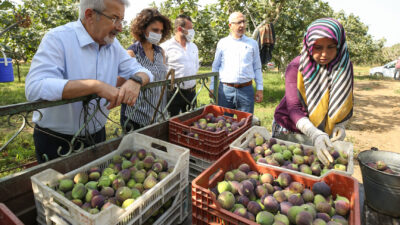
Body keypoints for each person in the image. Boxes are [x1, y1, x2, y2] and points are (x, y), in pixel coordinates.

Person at [25, 0, 153, 163]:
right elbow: (35, 87)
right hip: (56, 141)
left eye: (121, 20)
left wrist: (135, 81)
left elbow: (144, 71)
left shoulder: (113, 46)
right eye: (114, 19)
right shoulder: (58, 39)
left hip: (97, 136)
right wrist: (95, 86)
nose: (120, 28)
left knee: (96, 184)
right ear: (90, 15)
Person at [273, 18, 353, 166]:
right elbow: (294, 108)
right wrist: (314, 133)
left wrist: (340, 125)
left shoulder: (344, 67)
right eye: (318, 48)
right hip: (291, 128)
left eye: (331, 47)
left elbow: (343, 98)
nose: (324, 54)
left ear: (340, 45)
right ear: (309, 45)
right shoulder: (296, 67)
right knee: (288, 166)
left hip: (323, 132)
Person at [118, 8, 171, 131]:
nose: (158, 34)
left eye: (161, 31)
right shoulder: (132, 53)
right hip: (136, 116)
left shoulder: (160, 52)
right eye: (154, 30)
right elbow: (122, 83)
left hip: (158, 113)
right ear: (142, 29)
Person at [210, 12, 263, 114]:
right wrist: (212, 87)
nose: (242, 25)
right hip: (225, 90)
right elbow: (215, 67)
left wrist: (260, 88)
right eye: (239, 22)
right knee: (224, 123)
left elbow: (257, 67)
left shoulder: (252, 44)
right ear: (231, 25)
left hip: (246, 90)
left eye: (243, 22)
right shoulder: (223, 43)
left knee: (245, 124)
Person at [160, 14, 199, 117]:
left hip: (191, 92)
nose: (192, 32)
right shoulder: (165, 47)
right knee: (173, 122)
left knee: (192, 120)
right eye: (189, 29)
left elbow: (196, 66)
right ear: (179, 29)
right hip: (174, 93)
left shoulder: (193, 47)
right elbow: (162, 71)